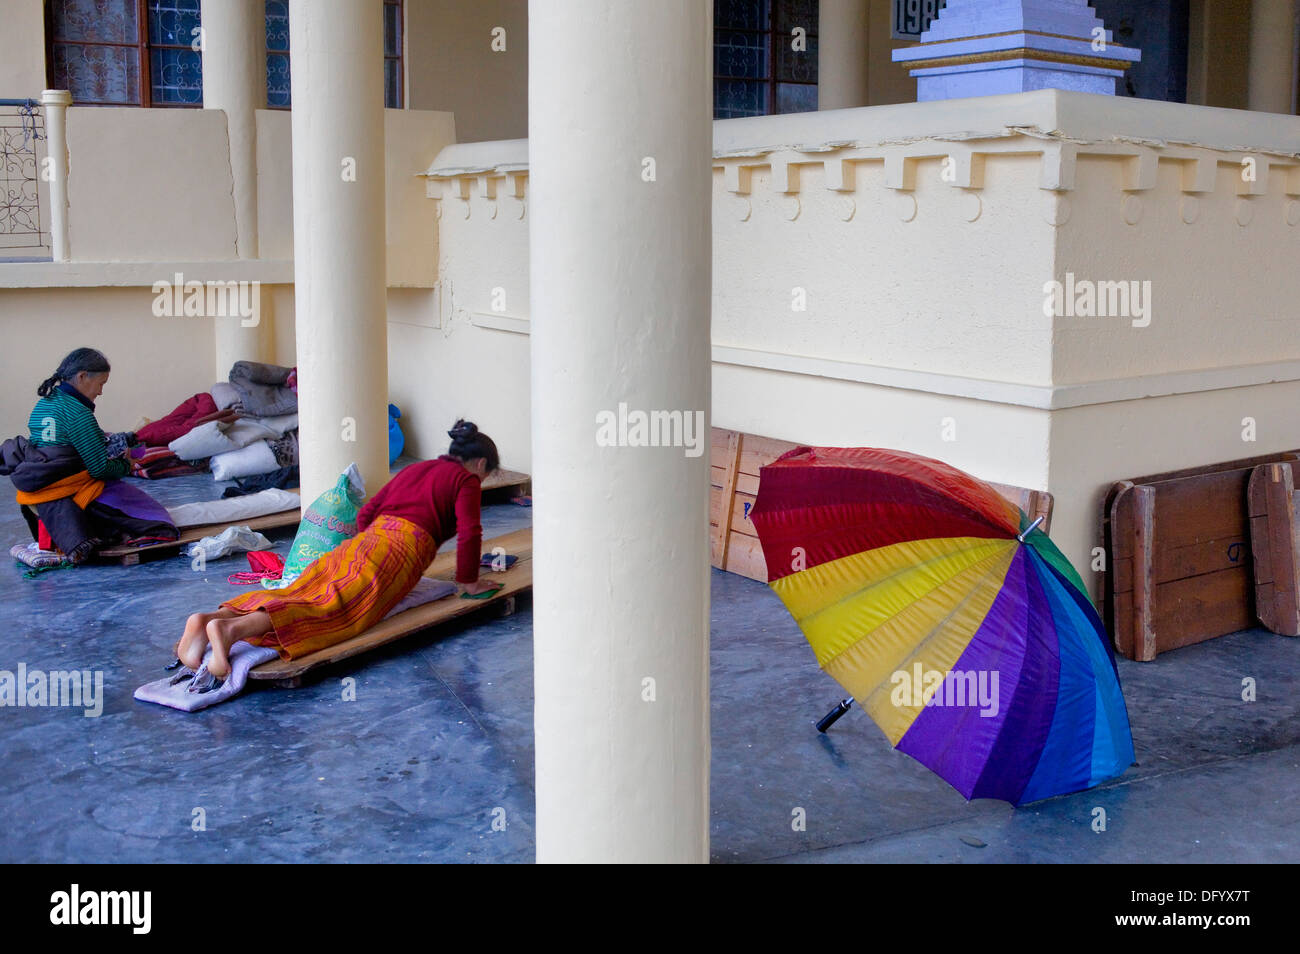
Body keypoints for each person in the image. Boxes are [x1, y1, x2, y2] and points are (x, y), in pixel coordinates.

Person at [175, 419, 505, 678]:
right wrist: (468, 581)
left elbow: (366, 513)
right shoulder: (467, 480)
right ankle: (231, 629)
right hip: (400, 550)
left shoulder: (418, 469)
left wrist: (370, 545)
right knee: (334, 608)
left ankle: (211, 617)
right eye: (488, 473)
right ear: (479, 464)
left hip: (364, 542)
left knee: (305, 588)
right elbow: (470, 531)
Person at [1, 348, 173, 564]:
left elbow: (56, 444)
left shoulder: (45, 402)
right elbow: (99, 469)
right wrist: (126, 465)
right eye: (101, 384)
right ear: (82, 376)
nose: (100, 392)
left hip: (38, 484)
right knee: (157, 519)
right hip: (67, 487)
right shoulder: (79, 414)